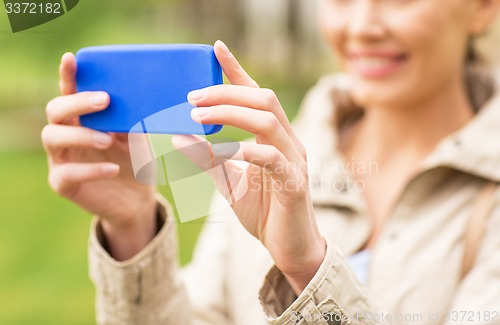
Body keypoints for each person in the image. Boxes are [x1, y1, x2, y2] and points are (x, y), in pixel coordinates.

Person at [42, 0, 500, 324]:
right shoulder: (270, 160)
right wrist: (132, 227)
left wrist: (307, 270)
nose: (362, 26)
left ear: (482, 6)